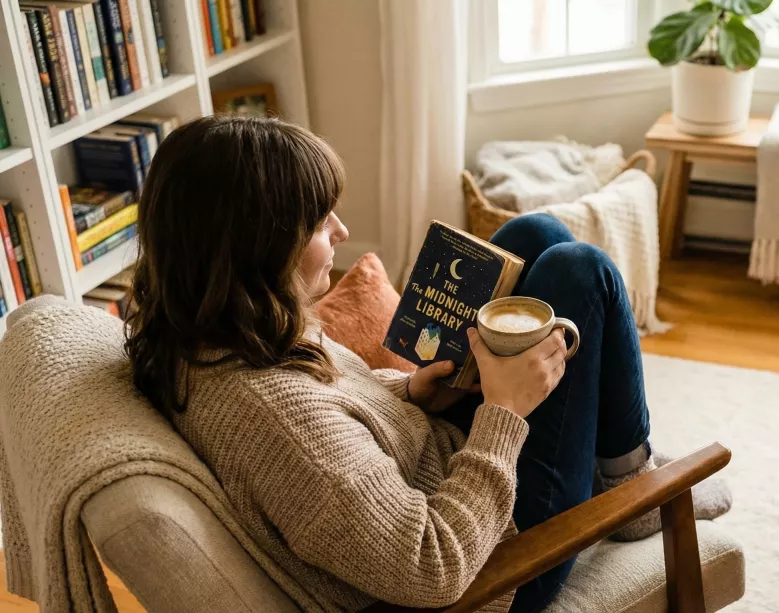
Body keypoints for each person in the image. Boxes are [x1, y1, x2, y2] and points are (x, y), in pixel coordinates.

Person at [125, 116, 730, 613]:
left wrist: (411, 391)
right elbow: (432, 567)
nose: (341, 230)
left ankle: (618, 465)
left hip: (444, 466)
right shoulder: (276, 422)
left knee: (532, 233)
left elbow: (343, 417)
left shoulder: (218, 330)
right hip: (500, 556)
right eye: (318, 221)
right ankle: (629, 484)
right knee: (580, 271)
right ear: (252, 246)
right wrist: (503, 411)